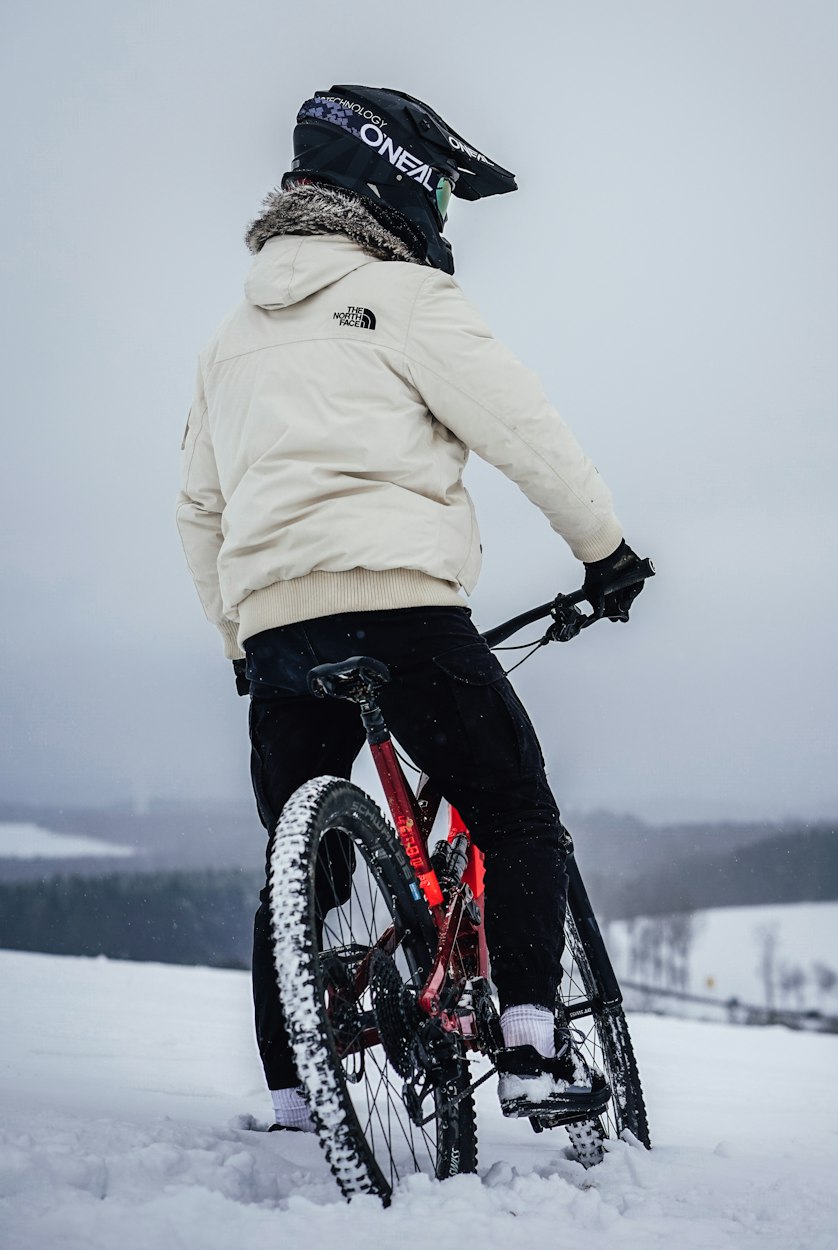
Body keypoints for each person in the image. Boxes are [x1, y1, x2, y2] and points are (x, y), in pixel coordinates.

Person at [177, 85, 649, 1132]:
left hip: (276, 628)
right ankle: (529, 1045)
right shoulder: (404, 299)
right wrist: (604, 552)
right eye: (439, 189)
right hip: (403, 609)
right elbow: (528, 434)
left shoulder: (227, 342)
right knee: (519, 814)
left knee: (292, 863)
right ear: (397, 183)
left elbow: (198, 509)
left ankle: (295, 1090)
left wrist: (238, 639)